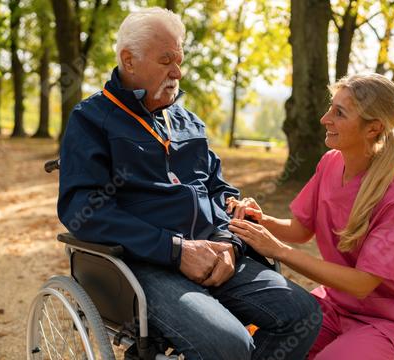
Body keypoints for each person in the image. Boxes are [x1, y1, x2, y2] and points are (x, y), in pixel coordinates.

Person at [57, 7, 321, 359]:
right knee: (228, 344)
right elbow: (82, 212)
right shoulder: (91, 119)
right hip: (145, 264)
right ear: (129, 60)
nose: (177, 72)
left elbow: (221, 191)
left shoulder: (187, 121)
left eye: (179, 60)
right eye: (166, 60)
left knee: (302, 313)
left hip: (217, 252)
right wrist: (176, 250)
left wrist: (230, 244)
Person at [228, 73, 394, 360]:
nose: (325, 119)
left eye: (339, 113)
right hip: (337, 306)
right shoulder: (329, 163)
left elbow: (361, 284)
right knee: (265, 343)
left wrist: (279, 251)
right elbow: (301, 229)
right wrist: (260, 220)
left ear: (373, 128)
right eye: (331, 108)